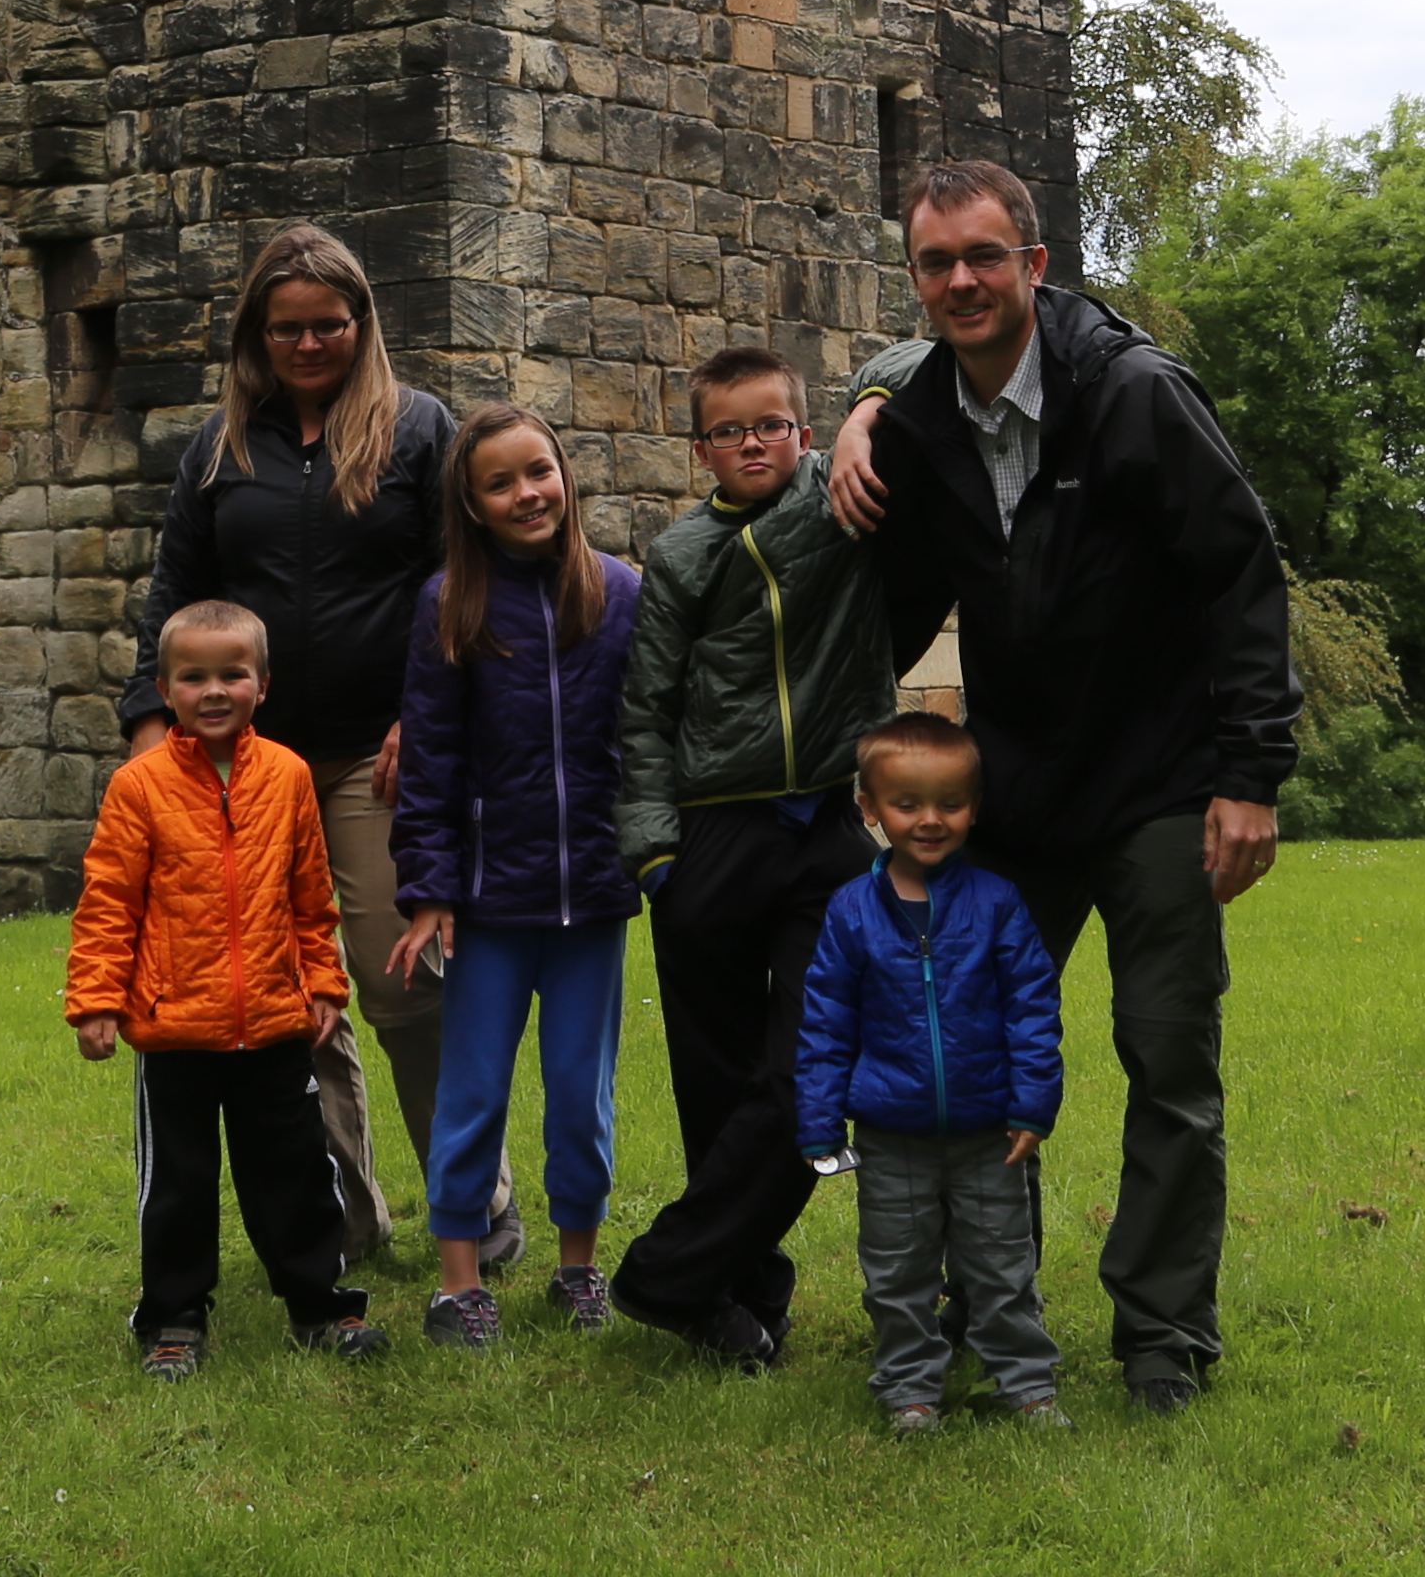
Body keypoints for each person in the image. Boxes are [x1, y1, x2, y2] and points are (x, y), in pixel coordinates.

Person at [822, 156, 1298, 1414]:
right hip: (1015, 799)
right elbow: (884, 601)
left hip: (1157, 786)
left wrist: (1249, 776)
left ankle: (1162, 1341)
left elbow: (1241, 580)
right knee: (969, 1064)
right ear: (914, 279)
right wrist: (862, 412)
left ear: (1035, 264)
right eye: (936, 263)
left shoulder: (1132, 395)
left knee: (1165, 1061)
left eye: (985, 257)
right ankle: (990, 1312)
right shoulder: (921, 422)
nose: (962, 281)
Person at [114, 220, 476, 1260]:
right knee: (281, 998)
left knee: (403, 984)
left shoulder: (417, 430)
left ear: (362, 324)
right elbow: (174, 594)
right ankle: (344, 1220)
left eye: (329, 325)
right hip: (247, 767)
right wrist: (151, 730)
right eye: (288, 330)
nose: (310, 346)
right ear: (256, 336)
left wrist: (430, 712)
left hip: (378, 752)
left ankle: (474, 1208)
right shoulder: (220, 451)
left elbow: (457, 585)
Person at [601, 344, 894, 1371]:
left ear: (805, 432)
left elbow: (912, 357)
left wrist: (867, 413)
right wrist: (654, 854)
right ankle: (738, 1299)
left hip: (825, 827)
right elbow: (646, 712)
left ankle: (660, 1276)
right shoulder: (680, 554)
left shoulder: (844, 504)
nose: (753, 442)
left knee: (815, 1075)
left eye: (772, 423)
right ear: (701, 451)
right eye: (729, 431)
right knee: (716, 1088)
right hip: (710, 836)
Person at [68, 601, 386, 1372]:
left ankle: (320, 1305)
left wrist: (322, 984)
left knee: (297, 1174)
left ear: (262, 684)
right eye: (194, 676)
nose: (215, 691)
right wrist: (97, 1000)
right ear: (165, 689)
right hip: (175, 1026)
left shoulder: (287, 776)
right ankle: (174, 1318)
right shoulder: (139, 787)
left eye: (232, 674)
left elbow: (311, 897)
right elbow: (109, 900)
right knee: (178, 1183)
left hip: (276, 1024)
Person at [385, 404, 644, 1348]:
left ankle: (578, 1271)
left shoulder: (620, 593)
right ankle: (461, 1283)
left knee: (583, 1095)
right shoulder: (448, 604)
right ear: (474, 504)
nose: (527, 492)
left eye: (539, 471)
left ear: (565, 475)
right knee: (472, 1093)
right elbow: (432, 765)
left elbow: (645, 743)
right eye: (501, 483)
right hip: (488, 908)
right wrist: (430, 894)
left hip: (593, 902)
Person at [794, 711, 1067, 1432]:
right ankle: (910, 1389)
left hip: (989, 1132)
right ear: (870, 809)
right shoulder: (852, 912)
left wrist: (1034, 1103)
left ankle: (1027, 1385)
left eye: (949, 803)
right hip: (891, 1134)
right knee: (898, 1274)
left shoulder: (999, 903)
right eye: (907, 804)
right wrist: (820, 1120)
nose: (930, 820)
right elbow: (825, 1022)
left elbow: (1033, 1009)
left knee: (1003, 1268)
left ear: (975, 808)